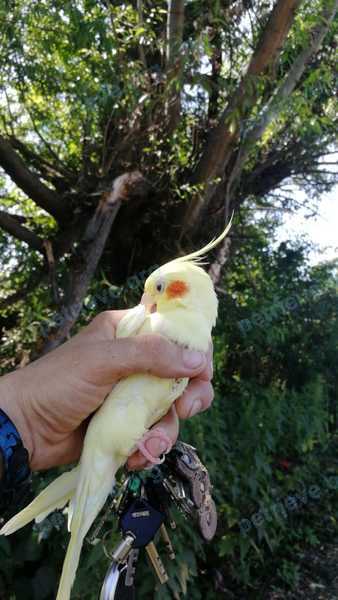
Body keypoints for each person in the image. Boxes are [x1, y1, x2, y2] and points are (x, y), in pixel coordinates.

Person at [0, 309, 214, 491]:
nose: (147, 300)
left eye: (158, 287)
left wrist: (25, 423)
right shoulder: (142, 324)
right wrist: (25, 419)